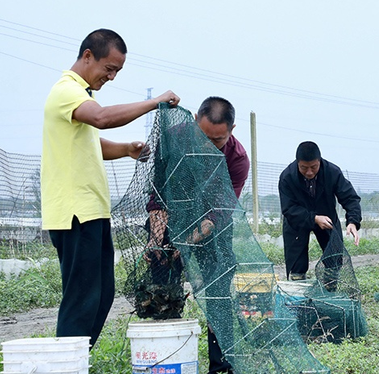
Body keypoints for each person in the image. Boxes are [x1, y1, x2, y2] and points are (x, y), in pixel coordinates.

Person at [40, 28, 180, 348]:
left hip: (92, 211)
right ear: (88, 56)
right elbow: (101, 119)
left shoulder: (83, 98)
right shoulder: (66, 91)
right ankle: (66, 365)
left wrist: (127, 149)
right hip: (74, 213)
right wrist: (154, 101)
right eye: (109, 68)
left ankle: (78, 358)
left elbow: (93, 142)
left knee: (102, 294)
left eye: (117, 71)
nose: (112, 77)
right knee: (82, 298)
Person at [144, 97, 248, 374]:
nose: (208, 144)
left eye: (218, 140)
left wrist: (186, 242)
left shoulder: (237, 160)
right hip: (172, 217)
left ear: (232, 130)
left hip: (212, 229)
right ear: (194, 123)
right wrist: (158, 237)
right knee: (162, 287)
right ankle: (164, 357)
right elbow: (158, 194)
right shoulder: (172, 138)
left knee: (217, 292)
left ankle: (221, 364)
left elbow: (218, 215)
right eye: (203, 136)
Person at [278, 141, 362, 281]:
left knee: (334, 258)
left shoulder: (332, 172)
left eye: (314, 167)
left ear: (320, 161)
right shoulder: (287, 177)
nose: (309, 172)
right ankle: (298, 292)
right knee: (296, 264)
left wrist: (353, 221)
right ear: (297, 162)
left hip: (327, 218)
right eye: (304, 168)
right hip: (297, 220)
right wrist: (314, 218)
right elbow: (288, 209)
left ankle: (330, 289)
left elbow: (350, 198)